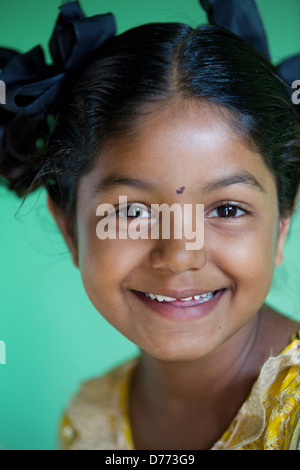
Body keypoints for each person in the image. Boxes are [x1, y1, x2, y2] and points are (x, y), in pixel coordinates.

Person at [0, 0, 300, 450]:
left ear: (281, 224)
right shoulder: (90, 416)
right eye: (132, 212)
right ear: (69, 229)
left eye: (227, 209)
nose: (180, 254)